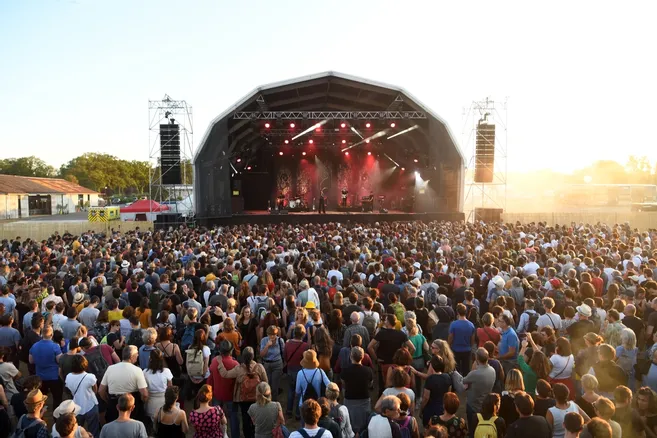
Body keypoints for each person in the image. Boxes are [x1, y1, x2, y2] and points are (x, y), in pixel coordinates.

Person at [216, 347, 267, 438]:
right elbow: (265, 382)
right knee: (255, 416)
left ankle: (248, 434)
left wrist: (220, 362)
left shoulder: (239, 369)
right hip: (256, 397)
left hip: (243, 398)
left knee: (245, 417)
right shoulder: (259, 367)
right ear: (253, 356)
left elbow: (225, 374)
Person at [98, 345, 149, 424]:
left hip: (114, 404)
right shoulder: (137, 370)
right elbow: (144, 394)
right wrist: (142, 402)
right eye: (136, 354)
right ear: (132, 356)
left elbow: (101, 390)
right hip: (132, 405)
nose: (138, 356)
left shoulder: (110, 368)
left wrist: (108, 401)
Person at [208, 340, 240, 438]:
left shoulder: (214, 361)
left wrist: (209, 393)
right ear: (231, 350)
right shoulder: (235, 364)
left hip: (217, 394)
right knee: (233, 416)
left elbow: (210, 379)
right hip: (230, 395)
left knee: (216, 417)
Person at [65, 355, 100, 438]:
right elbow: (95, 389)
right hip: (91, 405)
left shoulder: (68, 376)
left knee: (76, 431)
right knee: (94, 430)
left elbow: (69, 390)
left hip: (76, 407)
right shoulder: (90, 377)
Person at [340, 346, 373, 434]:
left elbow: (343, 384)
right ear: (362, 357)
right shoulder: (368, 371)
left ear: (351, 356)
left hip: (349, 398)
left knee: (349, 420)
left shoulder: (345, 371)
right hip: (364, 399)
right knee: (364, 421)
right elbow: (370, 384)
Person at [29, 325, 64, 407]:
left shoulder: (34, 346)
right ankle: (56, 416)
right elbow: (60, 361)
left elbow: (31, 361)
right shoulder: (55, 346)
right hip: (54, 377)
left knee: (40, 399)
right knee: (57, 398)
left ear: (42, 334)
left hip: (40, 377)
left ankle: (40, 415)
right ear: (51, 335)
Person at [463, 348, 496, 431]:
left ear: (476, 359)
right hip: (485, 405)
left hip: (473, 406)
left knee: (472, 429)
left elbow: (463, 381)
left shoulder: (475, 373)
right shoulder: (492, 370)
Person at [285, 325, 310, 419]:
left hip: (290, 369)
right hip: (301, 371)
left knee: (291, 390)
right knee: (300, 392)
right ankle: (298, 414)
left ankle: (288, 411)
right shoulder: (305, 346)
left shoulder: (287, 344)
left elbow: (285, 357)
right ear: (303, 334)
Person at [419, 355, 451, 426]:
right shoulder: (447, 377)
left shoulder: (430, 379)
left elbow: (426, 398)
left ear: (432, 365)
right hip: (443, 409)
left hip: (431, 410)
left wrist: (421, 410)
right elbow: (448, 394)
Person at [143, 349, 173, 420]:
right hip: (164, 402)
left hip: (150, 404)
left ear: (150, 359)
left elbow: (144, 390)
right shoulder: (167, 371)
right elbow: (170, 388)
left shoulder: (144, 372)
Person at [448, 304, 475, 376]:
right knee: (466, 369)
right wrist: (470, 346)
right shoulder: (471, 325)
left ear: (457, 312)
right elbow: (472, 339)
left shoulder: (453, 324)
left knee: (456, 369)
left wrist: (449, 345)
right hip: (467, 350)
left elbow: (451, 337)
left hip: (456, 349)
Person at [260, 325, 285, 402]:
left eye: (274, 334)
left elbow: (283, 353)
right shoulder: (264, 340)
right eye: (270, 334)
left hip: (277, 364)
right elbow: (261, 354)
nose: (272, 336)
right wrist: (267, 346)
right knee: (267, 384)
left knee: (275, 385)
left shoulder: (280, 341)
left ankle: (274, 402)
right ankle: (266, 401)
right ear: (267, 334)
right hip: (267, 364)